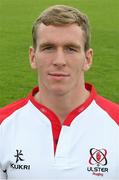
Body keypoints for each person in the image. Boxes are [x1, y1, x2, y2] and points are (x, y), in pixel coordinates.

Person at [0, 5, 119, 179]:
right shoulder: (4, 126)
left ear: (88, 58)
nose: (59, 61)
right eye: (48, 48)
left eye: (71, 49)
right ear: (33, 57)